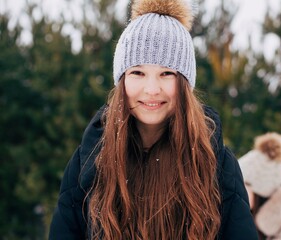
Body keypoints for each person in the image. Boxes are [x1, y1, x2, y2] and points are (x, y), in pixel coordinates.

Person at [49, 0, 258, 239]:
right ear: (122, 80)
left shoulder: (215, 161)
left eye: (166, 73)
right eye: (137, 72)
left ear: (184, 84)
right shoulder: (90, 159)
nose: (151, 89)